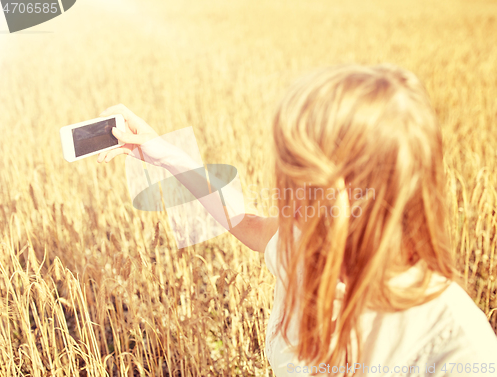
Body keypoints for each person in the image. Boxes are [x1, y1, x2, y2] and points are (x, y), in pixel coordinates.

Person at [97, 63, 497, 376]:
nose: (288, 192)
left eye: (304, 176)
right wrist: (161, 152)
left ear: (365, 193)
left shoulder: (457, 345)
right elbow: (246, 221)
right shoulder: (306, 244)